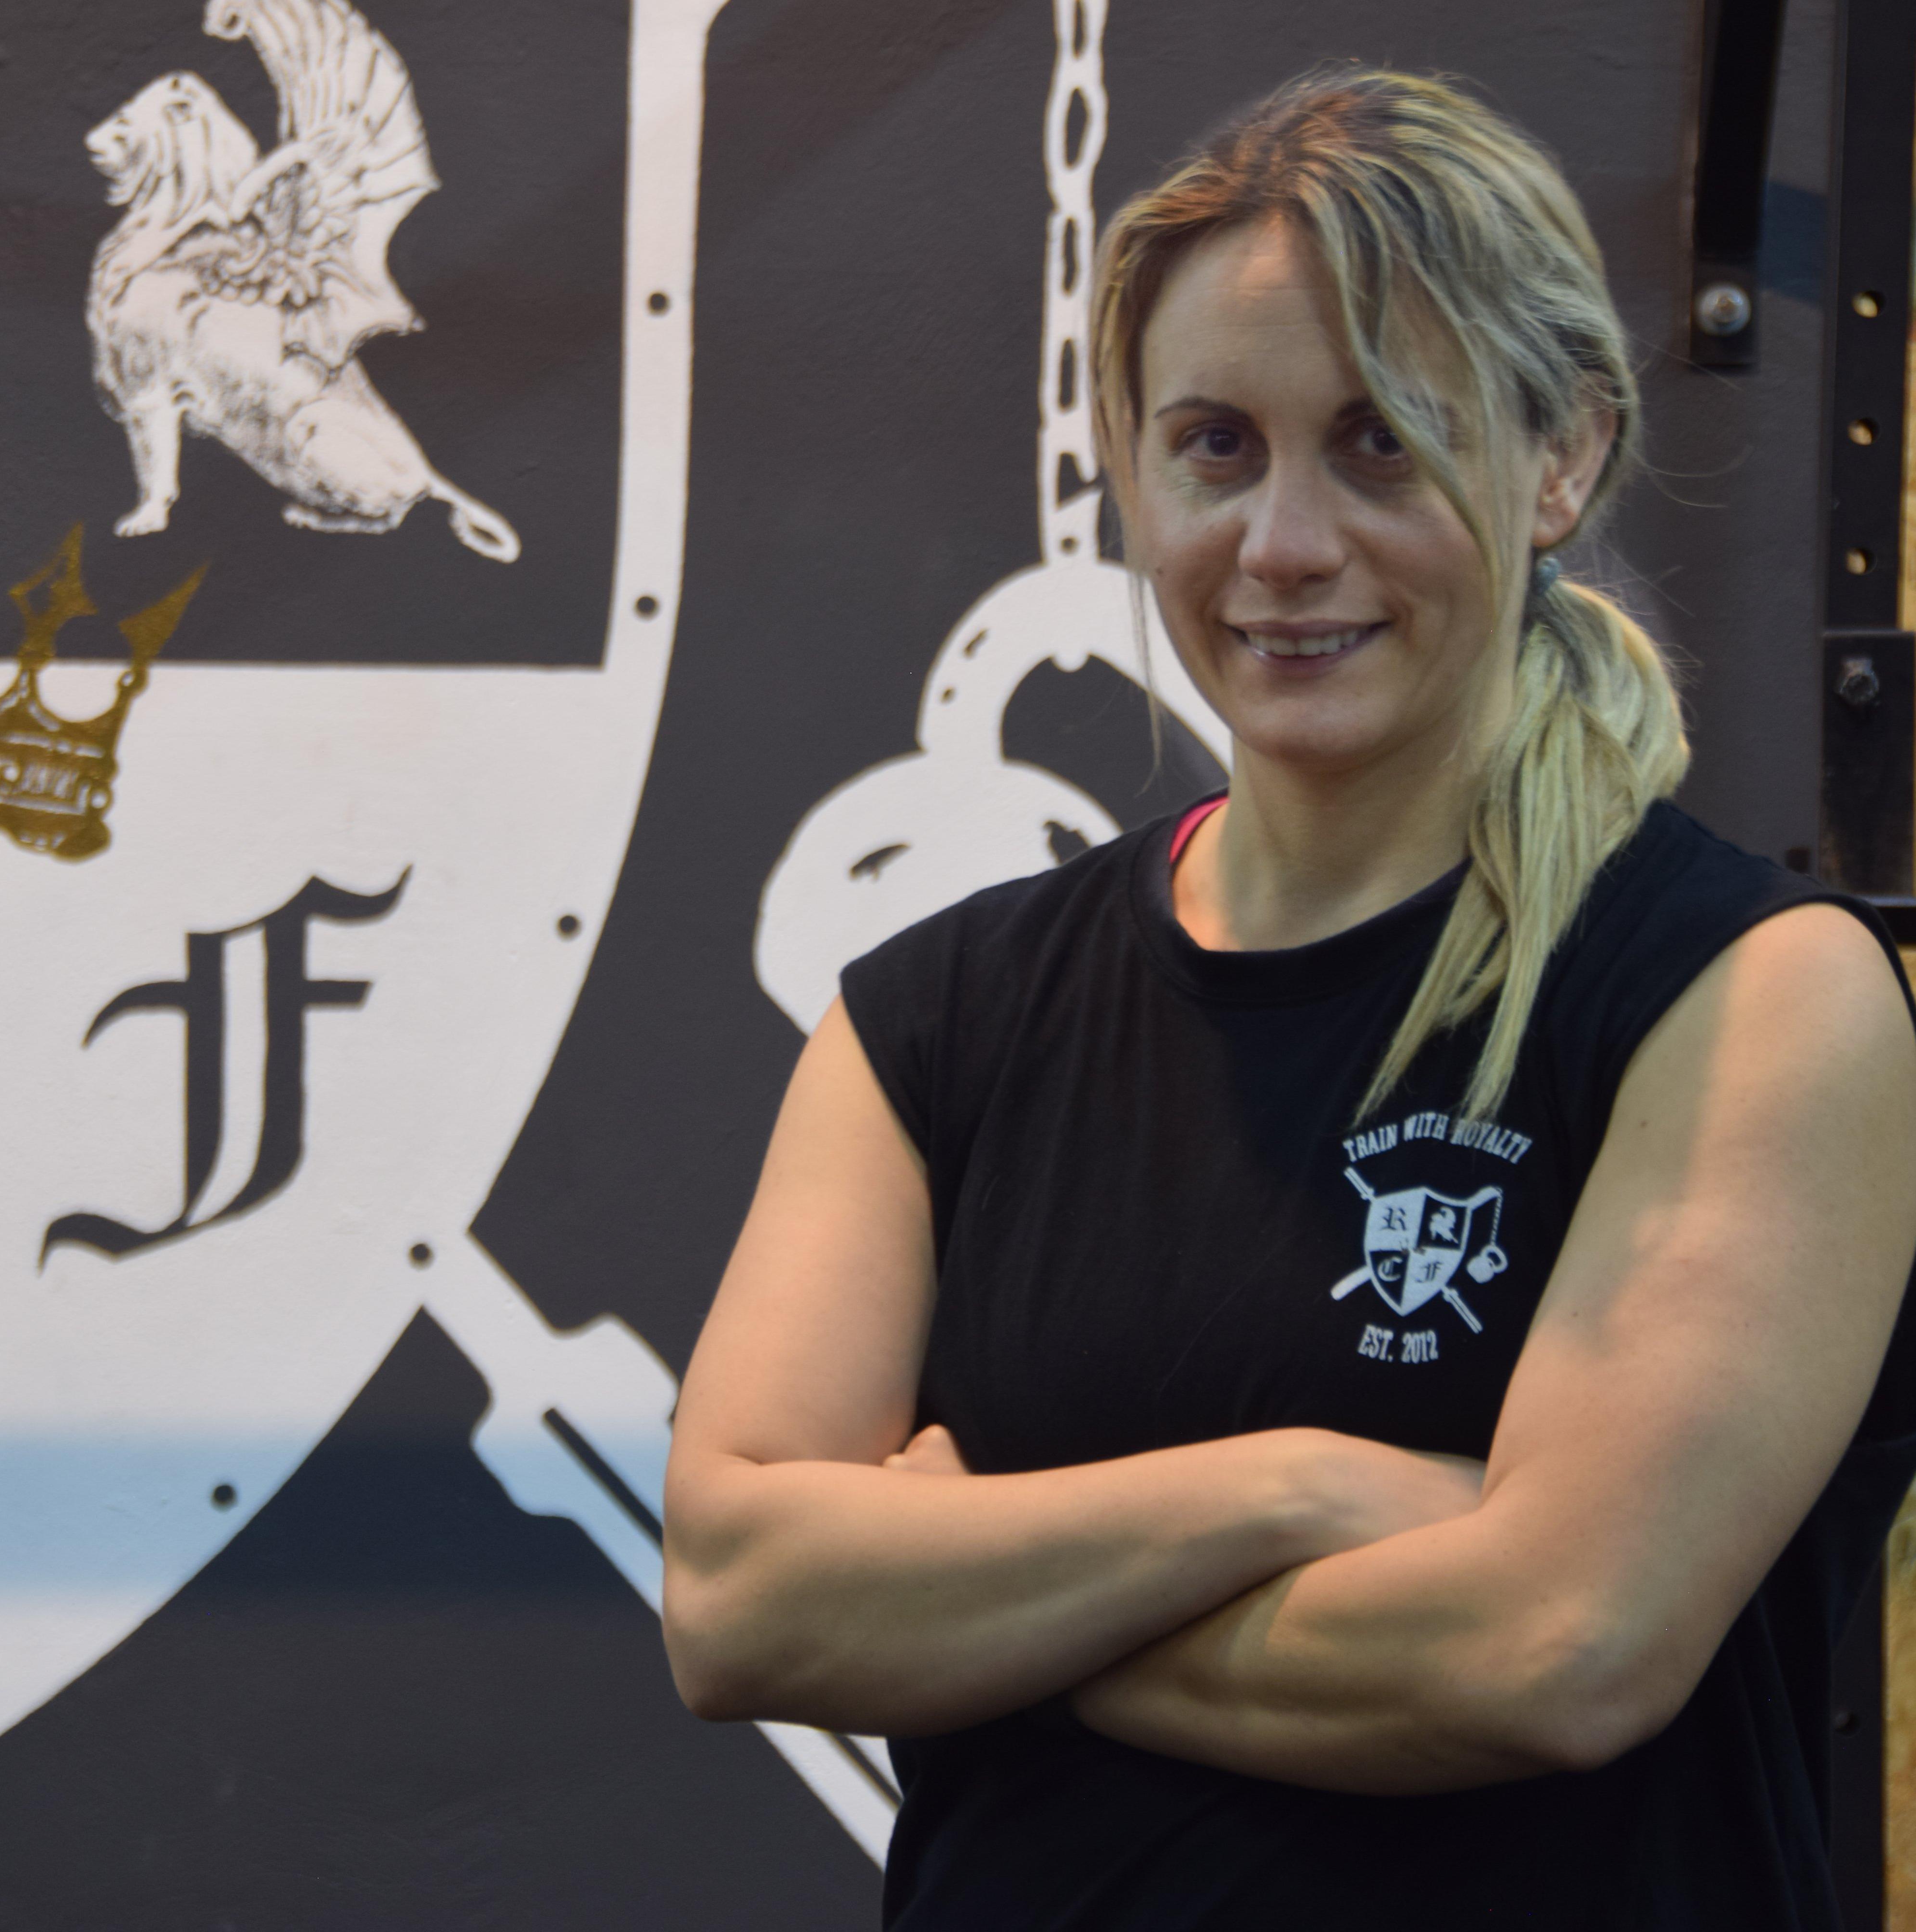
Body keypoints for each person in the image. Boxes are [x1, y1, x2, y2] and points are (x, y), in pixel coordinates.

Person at [661, 66, 1916, 1929]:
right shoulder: (935, 1022)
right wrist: (1293, 1491)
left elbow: (1553, 1650)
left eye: (1382, 443)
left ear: (1563, 454)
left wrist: (966, 1597)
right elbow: (738, 1603)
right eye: (1216, 446)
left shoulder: (1752, 1002)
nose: (1284, 545)